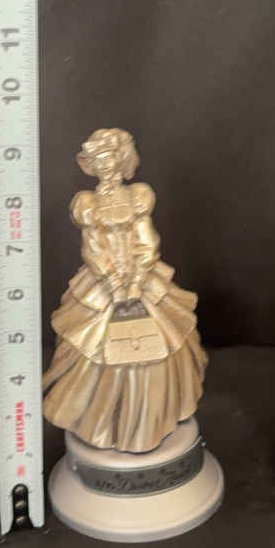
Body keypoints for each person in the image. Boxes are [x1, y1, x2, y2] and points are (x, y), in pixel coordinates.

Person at [43, 128, 208, 453]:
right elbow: (92, 248)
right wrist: (113, 283)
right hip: (104, 281)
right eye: (98, 160)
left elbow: (147, 241)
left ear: (120, 161)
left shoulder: (138, 196)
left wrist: (136, 280)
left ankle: (150, 421)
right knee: (94, 347)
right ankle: (103, 424)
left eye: (110, 158)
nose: (105, 166)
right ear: (90, 165)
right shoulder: (87, 203)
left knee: (161, 343)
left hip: (141, 277)